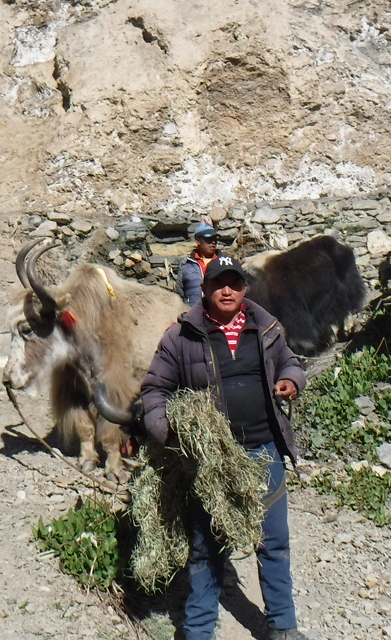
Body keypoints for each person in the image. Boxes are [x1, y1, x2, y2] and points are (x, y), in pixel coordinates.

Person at [141, 255, 308, 640]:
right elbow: (154, 391)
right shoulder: (181, 336)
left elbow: (291, 362)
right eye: (219, 284)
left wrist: (290, 380)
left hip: (264, 451)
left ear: (245, 288)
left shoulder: (265, 327)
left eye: (234, 283)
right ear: (205, 289)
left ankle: (283, 626)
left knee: (274, 542)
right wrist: (171, 433)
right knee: (207, 547)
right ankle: (199, 631)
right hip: (211, 461)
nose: (227, 290)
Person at [177, 223, 219, 307]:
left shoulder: (223, 262)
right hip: (191, 313)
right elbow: (178, 293)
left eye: (215, 238)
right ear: (198, 241)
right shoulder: (186, 264)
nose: (213, 242)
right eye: (208, 239)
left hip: (217, 314)